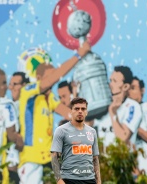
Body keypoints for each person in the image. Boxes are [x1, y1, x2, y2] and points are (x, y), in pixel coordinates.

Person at [18, 41, 90, 183]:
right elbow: (56, 75)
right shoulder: (28, 93)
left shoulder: (49, 98)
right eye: (50, 80)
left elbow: (69, 114)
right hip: (31, 159)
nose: (52, 83)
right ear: (39, 79)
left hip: (50, 158)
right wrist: (78, 55)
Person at [51, 97, 101, 184]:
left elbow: (95, 159)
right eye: (77, 109)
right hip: (69, 179)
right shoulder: (61, 130)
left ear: (86, 112)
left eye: (83, 109)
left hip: (90, 180)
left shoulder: (92, 131)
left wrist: (98, 181)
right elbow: (54, 157)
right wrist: (59, 180)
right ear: (71, 111)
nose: (80, 111)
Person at [95, 66, 142, 147]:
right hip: (102, 159)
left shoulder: (133, 107)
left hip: (121, 158)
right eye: (110, 80)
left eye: (115, 81)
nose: (110, 84)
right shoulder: (103, 105)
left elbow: (122, 138)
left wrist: (113, 113)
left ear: (125, 86)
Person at [4, 72, 30, 183]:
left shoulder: (30, 107)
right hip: (9, 161)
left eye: (15, 84)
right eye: (10, 84)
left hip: (25, 161)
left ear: (24, 86)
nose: (11, 88)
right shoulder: (7, 106)